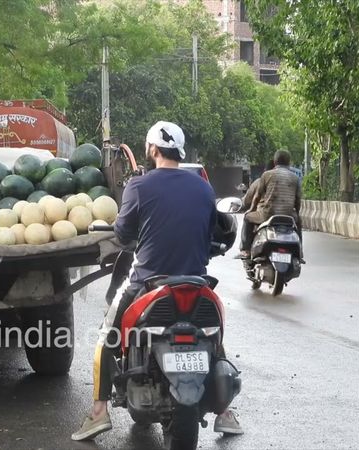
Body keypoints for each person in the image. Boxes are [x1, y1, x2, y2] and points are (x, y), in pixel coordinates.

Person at [72, 121, 243, 441]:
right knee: (213, 337)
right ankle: (225, 412)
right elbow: (209, 234)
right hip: (197, 281)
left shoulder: (140, 186)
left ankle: (98, 412)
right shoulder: (204, 187)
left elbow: (123, 235)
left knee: (106, 335)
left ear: (152, 150)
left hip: (148, 281)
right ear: (179, 150)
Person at [237, 150, 302, 259]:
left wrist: (251, 209)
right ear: (289, 162)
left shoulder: (266, 175)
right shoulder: (295, 178)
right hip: (289, 217)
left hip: (267, 215)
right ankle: (299, 252)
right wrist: (296, 214)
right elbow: (298, 200)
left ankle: (246, 249)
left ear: (275, 162)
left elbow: (257, 196)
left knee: (247, 217)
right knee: (299, 222)